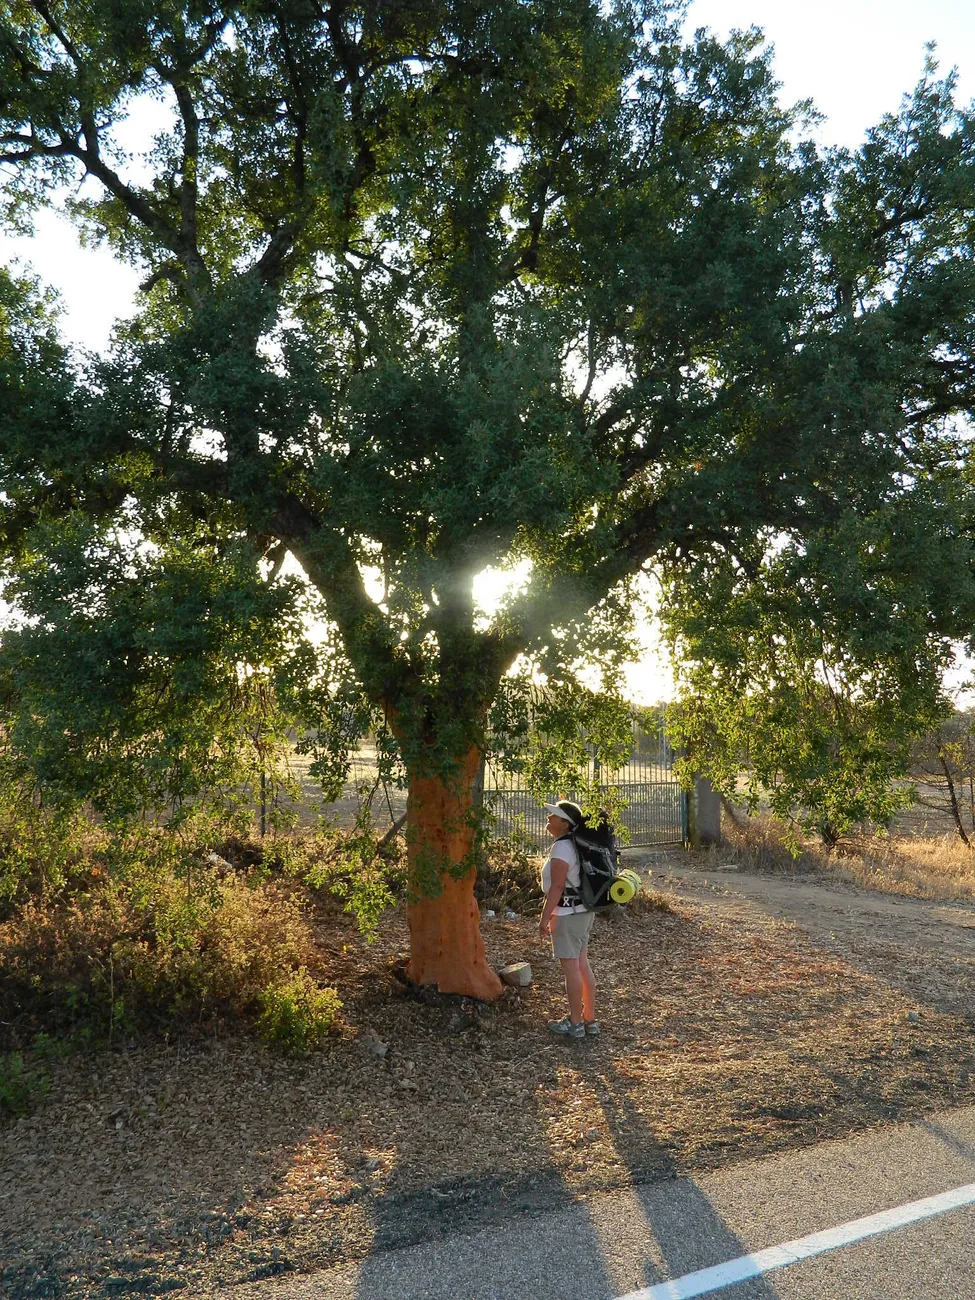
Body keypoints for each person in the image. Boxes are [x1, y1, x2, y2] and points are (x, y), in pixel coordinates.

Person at [538, 799, 599, 1038]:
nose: (548, 819)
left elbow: (557, 887)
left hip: (567, 915)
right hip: (583, 912)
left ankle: (575, 1024)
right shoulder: (576, 844)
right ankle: (589, 1020)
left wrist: (544, 918)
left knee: (572, 968)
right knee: (582, 965)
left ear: (565, 824)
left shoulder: (562, 848)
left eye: (553, 816)